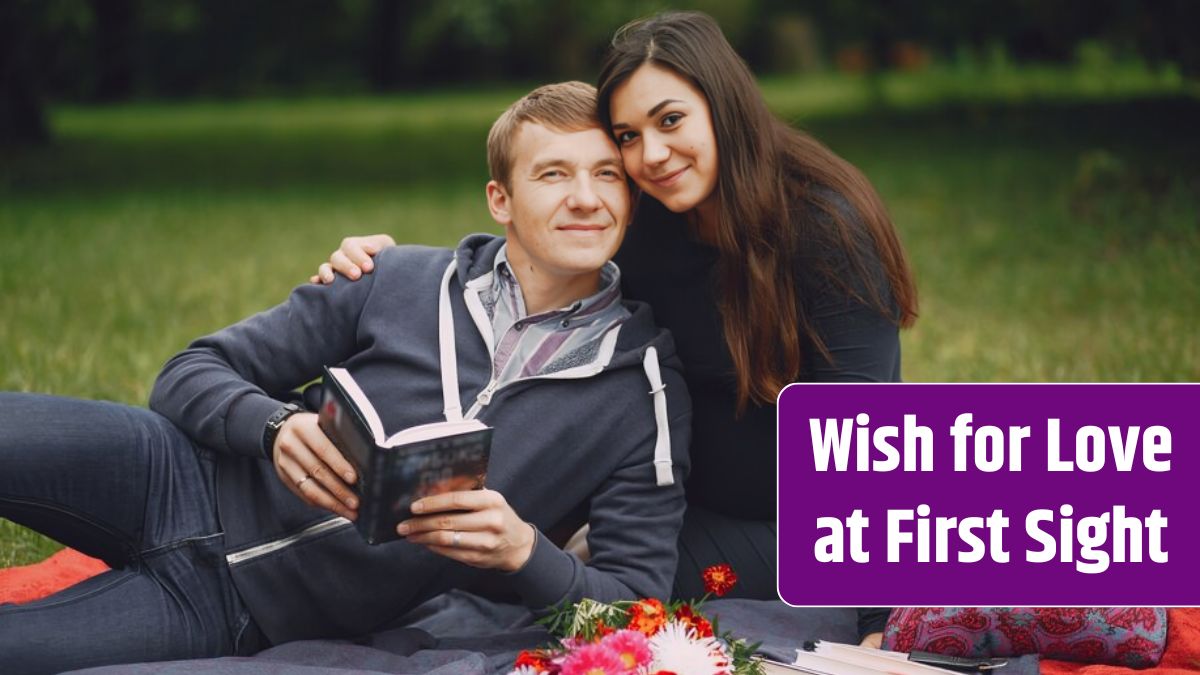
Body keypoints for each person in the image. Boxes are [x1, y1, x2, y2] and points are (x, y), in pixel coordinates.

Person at [0, 81, 690, 674]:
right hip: (169, 471)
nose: (585, 198)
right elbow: (190, 371)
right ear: (500, 199)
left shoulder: (645, 390)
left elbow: (634, 609)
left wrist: (523, 552)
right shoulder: (395, 277)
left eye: (607, 175)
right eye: (553, 174)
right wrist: (272, 427)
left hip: (236, 613)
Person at [314, 11, 917, 644]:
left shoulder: (826, 228)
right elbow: (543, 253)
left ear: (725, 104)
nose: (651, 155)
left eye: (671, 120)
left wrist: (881, 627)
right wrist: (388, 266)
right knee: (481, 541)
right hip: (660, 493)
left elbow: (867, 437)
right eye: (628, 135)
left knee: (581, 583)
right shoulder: (649, 217)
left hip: (797, 524)